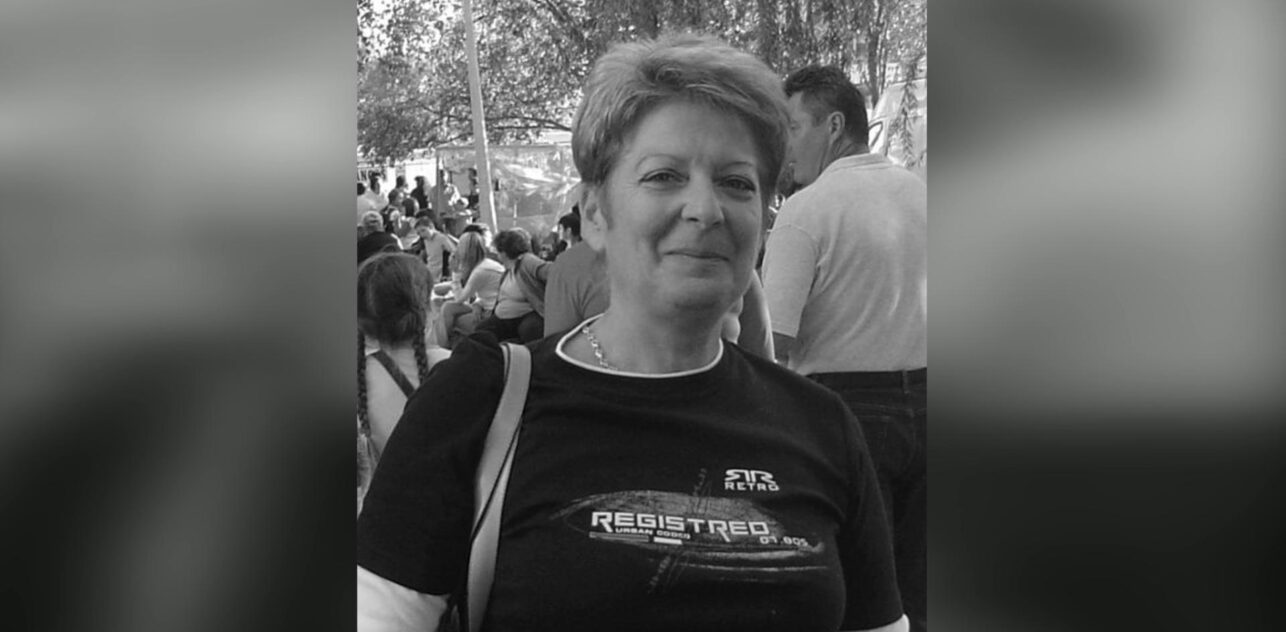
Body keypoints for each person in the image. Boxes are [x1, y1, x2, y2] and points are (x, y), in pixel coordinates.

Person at [357, 33, 906, 632]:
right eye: (664, 176)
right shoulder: (481, 400)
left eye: (737, 182)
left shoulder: (822, 426)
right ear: (595, 213)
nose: (705, 209)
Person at [761, 64, 926, 632]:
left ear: (833, 126)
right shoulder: (926, 194)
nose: (784, 146)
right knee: (923, 585)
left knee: (864, 594)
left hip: (847, 411)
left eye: (792, 127)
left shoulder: (808, 209)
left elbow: (772, 341)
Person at [356, 252, 451, 511]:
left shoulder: (359, 378)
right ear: (428, 310)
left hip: (382, 516)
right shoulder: (459, 367)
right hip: (452, 516)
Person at [473, 227, 549, 343]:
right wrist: (478, 303)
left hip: (527, 317)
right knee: (481, 332)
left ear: (504, 252)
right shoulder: (508, 271)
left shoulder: (527, 261)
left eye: (498, 252)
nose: (497, 256)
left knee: (530, 329)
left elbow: (550, 272)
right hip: (504, 319)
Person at [432, 230, 504, 349]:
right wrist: (477, 304)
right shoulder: (484, 265)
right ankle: (444, 344)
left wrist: (455, 272)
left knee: (450, 313)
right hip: (487, 307)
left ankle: (442, 347)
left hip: (492, 314)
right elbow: (483, 295)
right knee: (447, 308)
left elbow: (459, 299)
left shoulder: (480, 271)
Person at [407, 217, 457, 281]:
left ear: (431, 227)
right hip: (430, 271)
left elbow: (454, 251)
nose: (422, 234)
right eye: (419, 233)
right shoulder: (425, 240)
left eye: (423, 230)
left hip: (441, 274)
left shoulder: (441, 238)